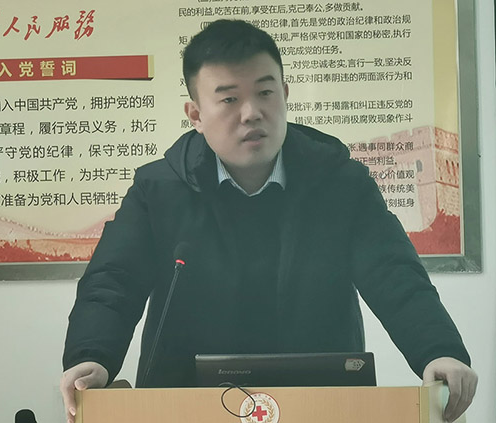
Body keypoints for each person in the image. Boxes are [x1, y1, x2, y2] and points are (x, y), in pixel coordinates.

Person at [60, 19, 477, 423]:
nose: (251, 113)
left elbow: (394, 275)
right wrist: (91, 357)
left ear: (285, 94)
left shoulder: (341, 183)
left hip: (322, 403)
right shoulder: (158, 190)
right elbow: (113, 282)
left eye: (265, 92)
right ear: (195, 114)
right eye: (228, 99)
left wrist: (438, 350)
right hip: (185, 403)